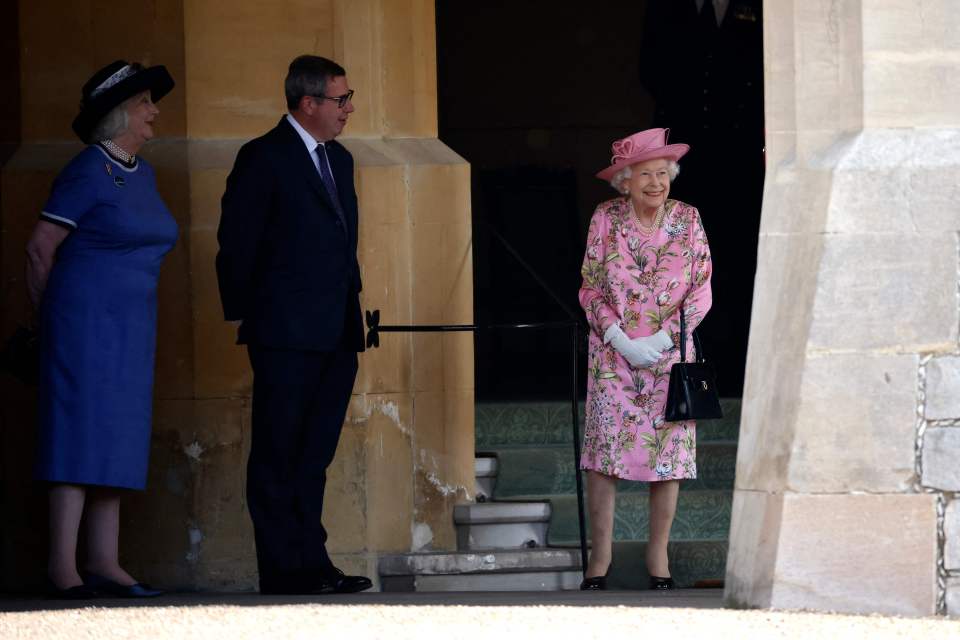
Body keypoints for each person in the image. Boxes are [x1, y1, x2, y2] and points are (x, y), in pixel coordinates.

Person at [216, 55, 370, 595]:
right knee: (279, 452)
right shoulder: (263, 157)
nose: (349, 108)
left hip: (335, 331)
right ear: (309, 103)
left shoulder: (342, 160)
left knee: (314, 455)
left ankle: (313, 562)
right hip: (283, 333)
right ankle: (282, 570)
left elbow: (341, 244)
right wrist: (255, 316)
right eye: (342, 99)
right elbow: (237, 244)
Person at [25, 60, 178, 598]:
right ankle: (62, 568)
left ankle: (105, 561)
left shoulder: (143, 170)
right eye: (144, 104)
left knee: (118, 434)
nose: (154, 111)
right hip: (83, 325)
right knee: (77, 436)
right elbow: (41, 248)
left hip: (131, 326)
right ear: (119, 116)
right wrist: (52, 322)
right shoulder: (87, 169)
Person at [577, 128, 712, 590]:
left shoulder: (689, 219)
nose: (656, 183)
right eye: (646, 175)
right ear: (625, 181)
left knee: (668, 455)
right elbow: (590, 285)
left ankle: (659, 558)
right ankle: (600, 557)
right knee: (602, 455)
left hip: (671, 355)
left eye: (663, 173)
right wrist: (620, 337)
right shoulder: (605, 218)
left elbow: (702, 287)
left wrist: (665, 339)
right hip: (613, 355)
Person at [639, 0, 763, 396]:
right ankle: (688, 372)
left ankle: (738, 371)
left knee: (738, 265)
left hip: (739, 160)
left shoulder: (753, 7)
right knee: (682, 267)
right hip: (686, 161)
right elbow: (651, 69)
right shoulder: (669, 7)